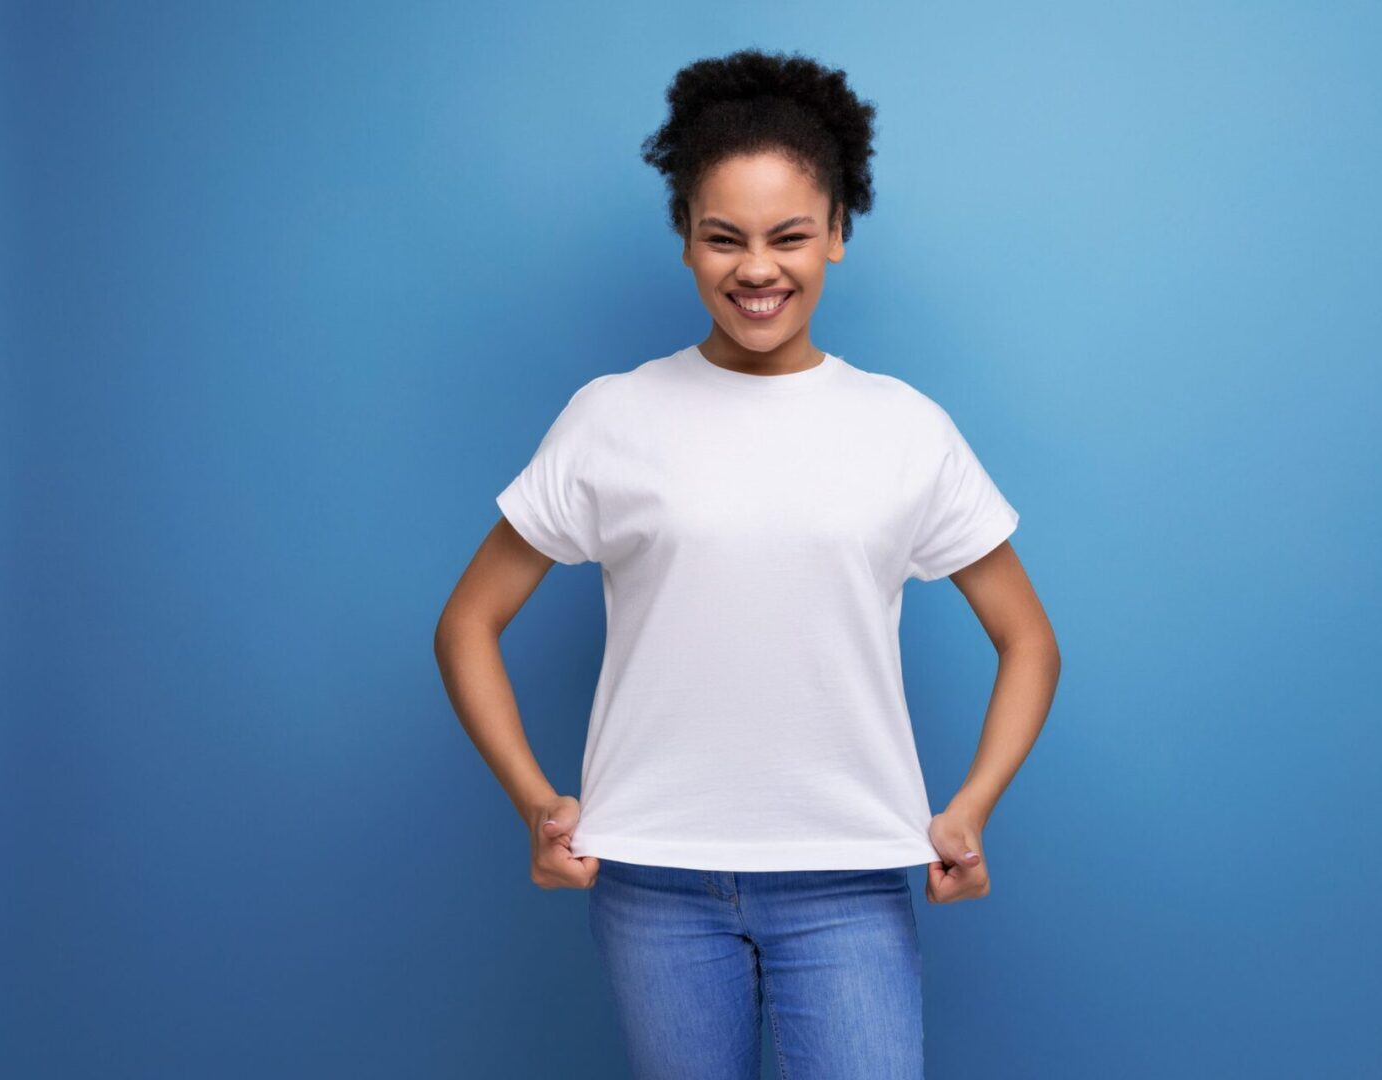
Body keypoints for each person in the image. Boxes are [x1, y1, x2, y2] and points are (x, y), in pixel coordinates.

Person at [434, 47, 1061, 1080]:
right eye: (724, 237)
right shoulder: (613, 418)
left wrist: (971, 808)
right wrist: (537, 804)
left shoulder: (902, 428)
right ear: (685, 240)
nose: (757, 268)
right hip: (655, 882)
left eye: (790, 237)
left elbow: (1028, 640)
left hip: (850, 880)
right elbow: (467, 624)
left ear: (839, 235)